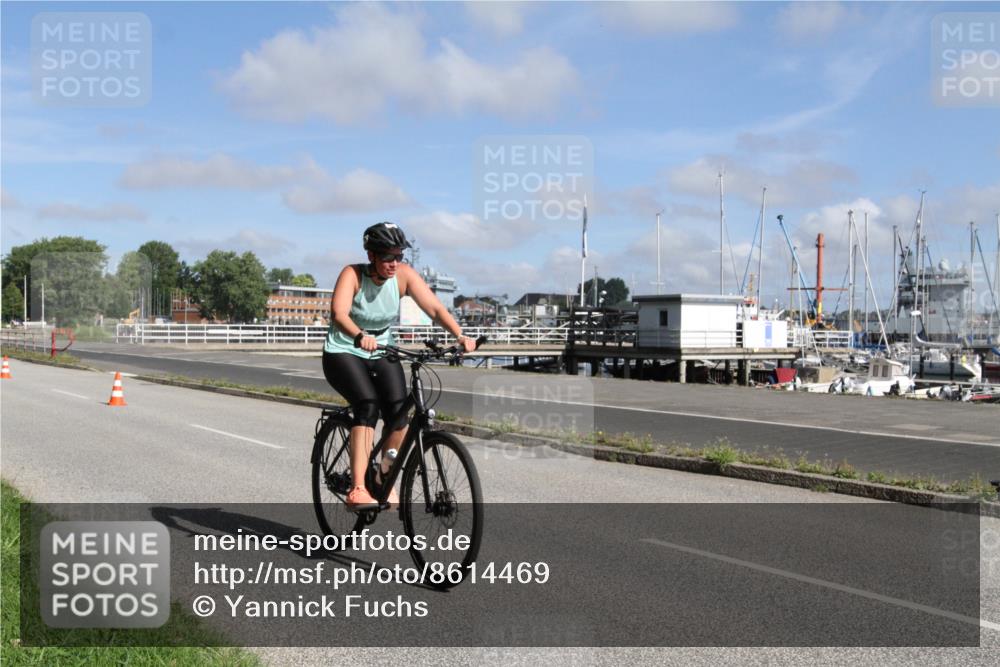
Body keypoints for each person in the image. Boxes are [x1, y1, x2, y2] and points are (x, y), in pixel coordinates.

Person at [323, 222, 476, 509]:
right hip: (343, 349)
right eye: (387, 257)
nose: (394, 263)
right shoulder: (352, 274)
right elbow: (338, 313)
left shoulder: (404, 276)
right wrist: (359, 335)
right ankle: (357, 489)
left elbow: (435, 308)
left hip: (381, 349)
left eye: (398, 256)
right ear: (371, 256)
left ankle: (382, 477)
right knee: (367, 405)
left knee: (398, 413)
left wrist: (459, 334)